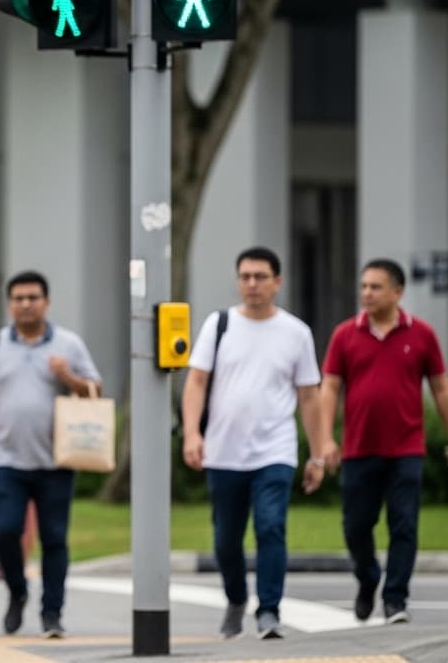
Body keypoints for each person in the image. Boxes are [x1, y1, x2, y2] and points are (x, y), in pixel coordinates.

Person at [179, 247, 324, 640]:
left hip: (274, 449)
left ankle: (269, 611)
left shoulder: (296, 332)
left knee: (270, 526)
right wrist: (192, 433)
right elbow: (196, 381)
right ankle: (236, 598)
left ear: (278, 282)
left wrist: (318, 452)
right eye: (245, 276)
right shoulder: (219, 324)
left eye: (260, 277)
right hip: (224, 451)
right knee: (225, 540)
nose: (252, 284)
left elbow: (310, 396)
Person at [319, 258, 448, 625]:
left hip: (406, 449)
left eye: (375, 287)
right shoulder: (344, 335)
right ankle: (368, 578)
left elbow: (441, 388)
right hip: (358, 448)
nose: (366, 293)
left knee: (404, 525)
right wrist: (325, 439)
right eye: (364, 286)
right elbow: (330, 388)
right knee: (356, 526)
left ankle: (395, 599)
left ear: (397, 292)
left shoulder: (422, 334)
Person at [0, 270, 101, 638]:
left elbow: (95, 392)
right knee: (5, 531)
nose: (25, 304)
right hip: (6, 459)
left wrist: (67, 376)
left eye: (32, 297)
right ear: (10, 304)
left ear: (46, 302)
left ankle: (52, 613)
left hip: (57, 460)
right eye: (18, 298)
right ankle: (17, 591)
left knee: (54, 539)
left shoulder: (68, 344)